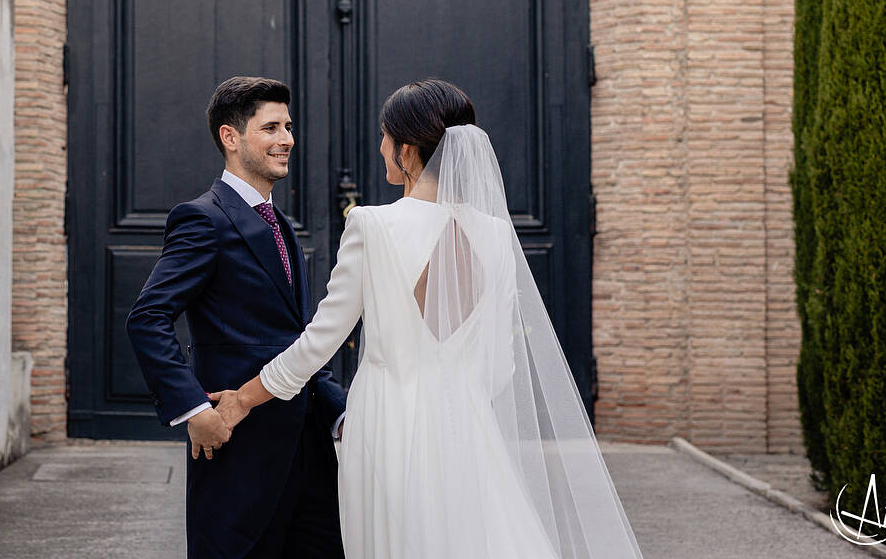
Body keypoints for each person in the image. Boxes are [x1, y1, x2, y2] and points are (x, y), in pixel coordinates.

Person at [211, 79, 647, 559]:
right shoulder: (498, 236)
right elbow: (502, 367)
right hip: (468, 426)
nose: (380, 148)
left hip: (387, 426)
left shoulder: (372, 225)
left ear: (407, 148)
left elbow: (319, 342)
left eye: (384, 137)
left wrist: (243, 399)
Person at [126, 76, 347, 559]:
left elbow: (300, 336)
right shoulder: (203, 218)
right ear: (231, 137)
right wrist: (194, 411)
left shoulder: (280, 222)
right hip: (237, 447)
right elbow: (148, 318)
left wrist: (339, 410)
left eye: (288, 127)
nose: (287, 139)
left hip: (308, 449)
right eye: (271, 128)